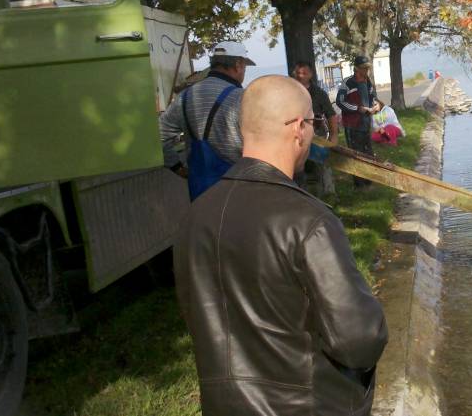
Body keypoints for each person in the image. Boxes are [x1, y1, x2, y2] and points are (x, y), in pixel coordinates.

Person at [175, 75, 388, 416]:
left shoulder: (195, 216)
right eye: (313, 122)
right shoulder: (309, 221)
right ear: (298, 129)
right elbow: (359, 340)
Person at [159, 41, 255, 200]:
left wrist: (176, 167)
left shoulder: (185, 97)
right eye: (244, 66)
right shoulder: (242, 98)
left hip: (200, 191)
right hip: (239, 188)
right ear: (238, 64)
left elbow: (159, 136)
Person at [291, 60, 338, 193]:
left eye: (304, 73)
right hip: (297, 138)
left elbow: (331, 115)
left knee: (323, 167)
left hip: (318, 137)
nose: (300, 75)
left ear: (310, 74)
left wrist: (334, 137)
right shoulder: (290, 92)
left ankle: (329, 194)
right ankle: (302, 197)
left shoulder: (319, 93)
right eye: (298, 73)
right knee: (299, 171)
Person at [335, 55, 381, 187]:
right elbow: (340, 101)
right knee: (355, 154)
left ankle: (369, 181)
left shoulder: (367, 82)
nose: (366, 71)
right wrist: (357, 109)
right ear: (356, 68)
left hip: (366, 123)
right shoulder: (348, 82)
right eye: (363, 68)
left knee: (368, 153)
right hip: (352, 124)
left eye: (367, 68)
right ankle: (359, 185)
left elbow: (373, 98)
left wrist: (376, 105)